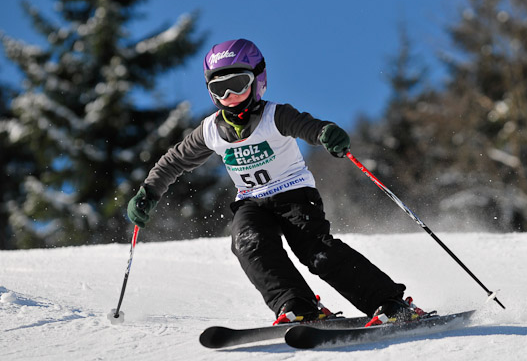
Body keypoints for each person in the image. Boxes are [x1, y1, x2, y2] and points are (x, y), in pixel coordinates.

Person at [127, 38, 425, 326]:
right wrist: (149, 191)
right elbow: (175, 160)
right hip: (251, 201)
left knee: (317, 253)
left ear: (258, 81)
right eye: (219, 89)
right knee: (248, 243)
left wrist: (325, 133)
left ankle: (390, 303)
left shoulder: (275, 115)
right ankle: (297, 305)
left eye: (238, 84)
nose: (229, 96)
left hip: (293, 195)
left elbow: (307, 126)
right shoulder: (210, 130)